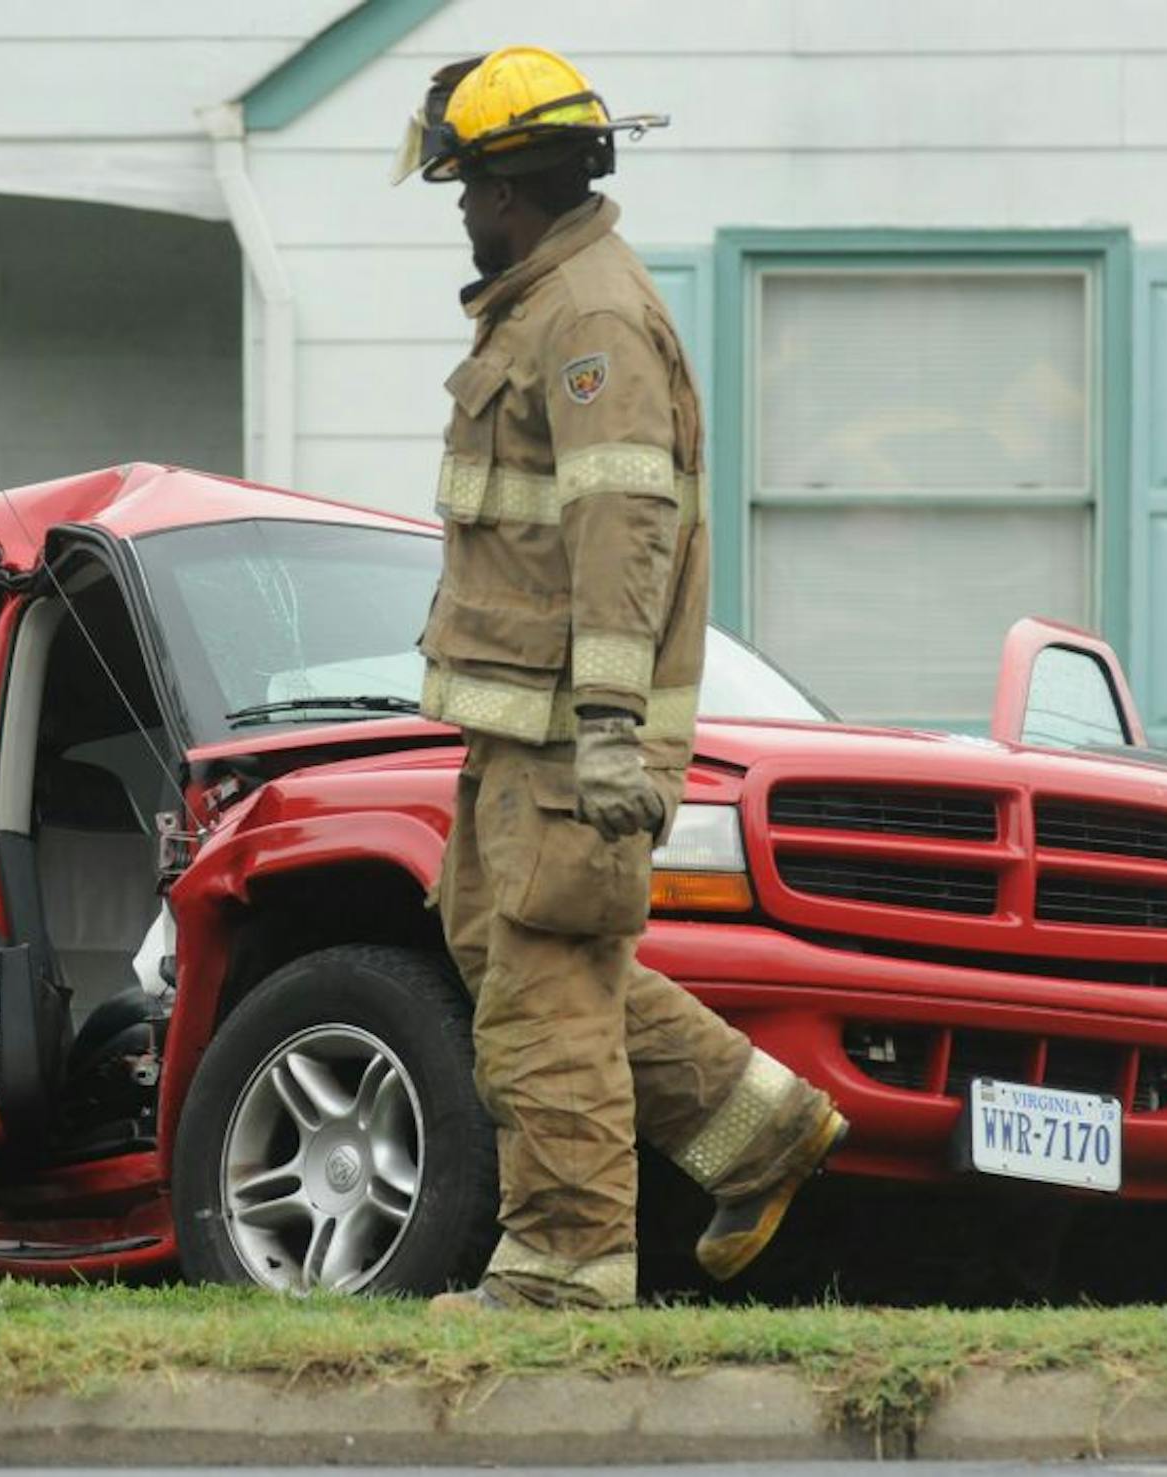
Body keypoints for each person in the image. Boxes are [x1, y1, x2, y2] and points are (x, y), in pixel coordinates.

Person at [396, 46, 849, 1311]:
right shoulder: (548, 307)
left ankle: (564, 1273)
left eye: (465, 186)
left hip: (567, 734)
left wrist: (607, 729)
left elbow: (623, 531)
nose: (461, 211)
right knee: (519, 959)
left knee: (543, 1000)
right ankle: (753, 1127)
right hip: (521, 725)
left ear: (508, 188)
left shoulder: (589, 320)